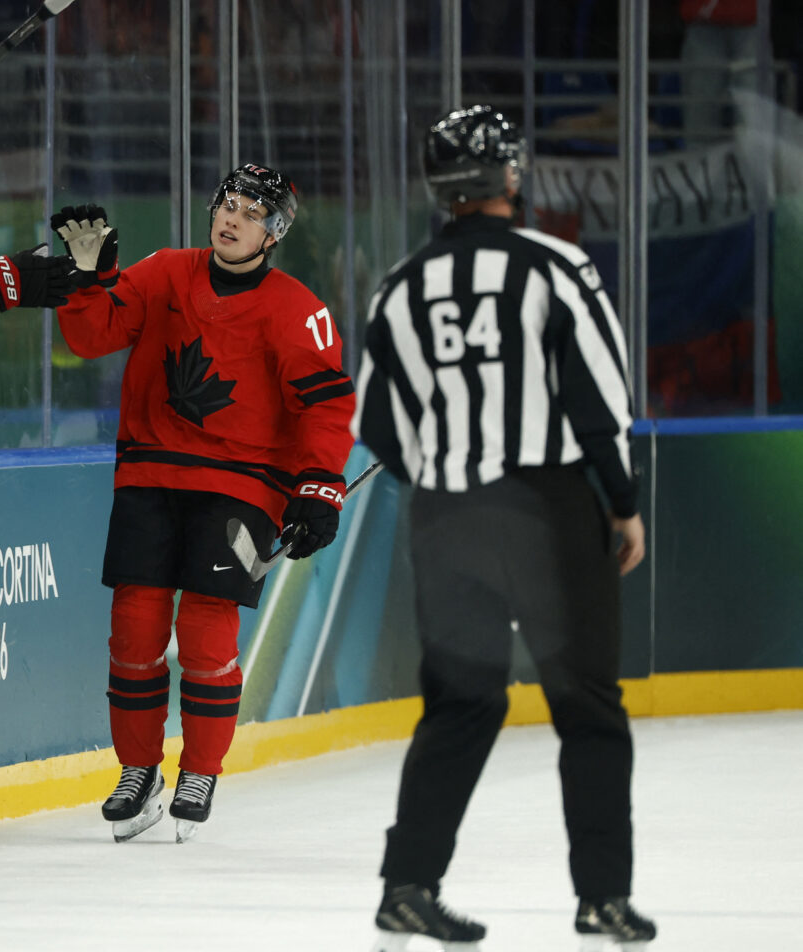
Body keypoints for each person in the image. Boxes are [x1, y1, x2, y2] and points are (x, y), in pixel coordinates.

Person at [351, 105, 656, 951]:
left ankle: (407, 887)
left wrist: (443, 482)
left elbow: (374, 421)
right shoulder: (556, 267)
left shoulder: (400, 286)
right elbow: (602, 403)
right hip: (551, 509)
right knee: (587, 704)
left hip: (446, 514)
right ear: (509, 178)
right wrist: (622, 505)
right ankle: (602, 898)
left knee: (461, 704)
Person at [54, 165, 356, 843]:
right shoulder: (164, 272)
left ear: (273, 233)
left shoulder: (295, 309)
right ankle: (138, 770)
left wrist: (317, 486)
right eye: (228, 203)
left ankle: (201, 769)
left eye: (252, 212)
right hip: (151, 473)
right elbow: (90, 336)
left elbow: (325, 407)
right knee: (134, 630)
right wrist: (87, 280)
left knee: (206, 633)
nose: (232, 218)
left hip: (243, 484)